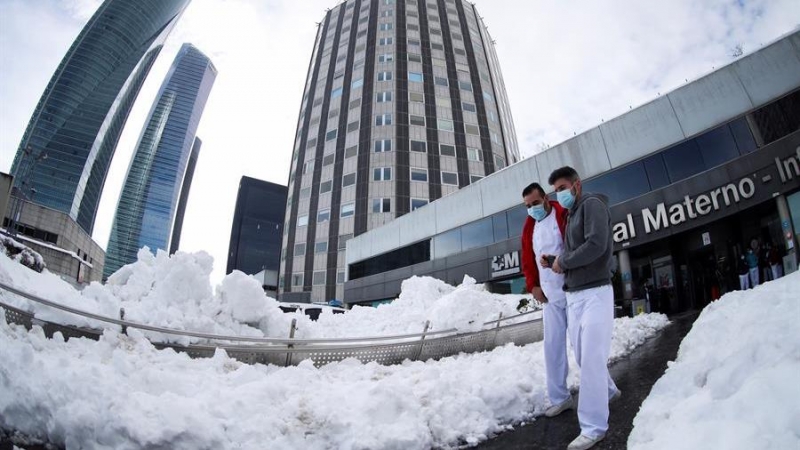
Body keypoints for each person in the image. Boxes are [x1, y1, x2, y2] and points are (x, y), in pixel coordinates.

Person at [540, 166, 620, 450]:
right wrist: (557, 261)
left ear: (576, 185)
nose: (559, 194)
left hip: (595, 293)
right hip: (574, 295)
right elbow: (574, 253)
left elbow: (597, 244)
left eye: (562, 187)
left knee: (593, 360)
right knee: (585, 358)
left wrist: (565, 261)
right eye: (556, 190)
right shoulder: (573, 214)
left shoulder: (592, 205)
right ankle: (608, 391)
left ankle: (594, 426)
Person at [520, 182, 572, 418]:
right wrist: (533, 286)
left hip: (573, 289)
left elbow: (574, 246)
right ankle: (560, 398)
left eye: (536, 203)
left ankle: (607, 390)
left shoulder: (563, 213)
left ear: (546, 198)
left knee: (584, 347)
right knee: (553, 349)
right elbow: (527, 260)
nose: (532, 209)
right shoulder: (529, 227)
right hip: (550, 296)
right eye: (528, 206)